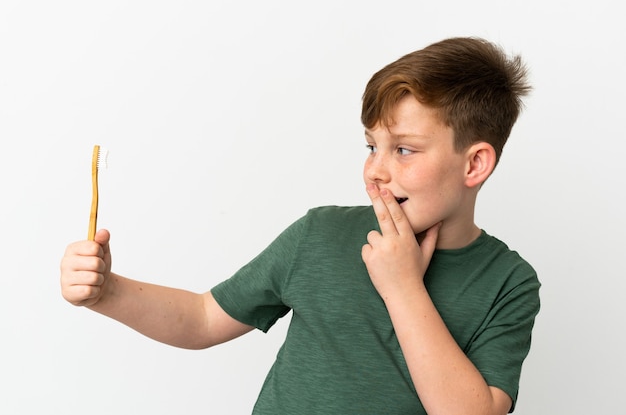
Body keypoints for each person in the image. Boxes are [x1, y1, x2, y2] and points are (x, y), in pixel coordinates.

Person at [60, 36, 541, 414]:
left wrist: (403, 288)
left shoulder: (509, 283)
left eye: (404, 149)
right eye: (371, 146)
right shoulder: (320, 235)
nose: (376, 169)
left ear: (474, 165)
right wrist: (107, 292)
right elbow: (203, 318)